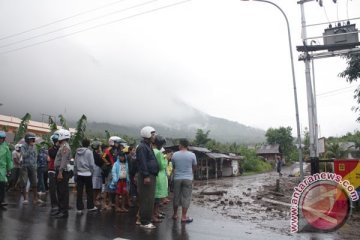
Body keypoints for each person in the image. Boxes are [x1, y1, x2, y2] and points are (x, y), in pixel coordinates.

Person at [136, 126, 159, 229]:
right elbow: (142, 162)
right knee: (147, 199)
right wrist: (146, 176)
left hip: (151, 175)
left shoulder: (147, 146)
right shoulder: (142, 147)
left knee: (150, 199)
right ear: (147, 134)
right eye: (153, 134)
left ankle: (145, 219)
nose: (155, 136)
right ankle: (144, 221)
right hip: (147, 176)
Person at [171, 138, 197, 224]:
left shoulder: (174, 154)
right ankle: (183, 217)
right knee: (186, 197)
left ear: (181, 145)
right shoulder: (192, 155)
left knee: (176, 196)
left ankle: (175, 215)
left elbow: (173, 166)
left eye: (179, 144)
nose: (178, 145)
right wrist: (191, 174)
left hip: (177, 178)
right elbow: (194, 167)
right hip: (188, 178)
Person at [102, 136, 126, 210]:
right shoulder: (109, 149)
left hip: (117, 170)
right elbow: (103, 157)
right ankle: (105, 204)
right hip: (110, 170)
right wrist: (109, 163)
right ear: (113, 142)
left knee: (115, 187)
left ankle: (112, 203)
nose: (118, 144)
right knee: (108, 187)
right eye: (116, 142)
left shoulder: (118, 149)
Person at [74, 138, 97, 214]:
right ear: (88, 144)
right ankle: (90, 206)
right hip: (87, 174)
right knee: (89, 191)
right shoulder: (89, 152)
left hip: (79, 174)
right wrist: (92, 172)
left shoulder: (77, 152)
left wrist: (75, 173)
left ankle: (79, 208)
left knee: (79, 192)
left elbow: (75, 163)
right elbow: (92, 164)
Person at [53, 129, 72, 218]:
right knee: (59, 191)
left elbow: (64, 161)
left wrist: (60, 172)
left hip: (62, 171)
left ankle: (64, 211)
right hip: (60, 171)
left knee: (62, 191)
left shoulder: (65, 147)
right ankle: (60, 209)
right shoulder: (62, 145)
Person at [19, 132, 42, 205]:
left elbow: (36, 156)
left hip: (33, 167)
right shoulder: (23, 146)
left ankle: (36, 198)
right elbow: (24, 155)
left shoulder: (34, 146)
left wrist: (35, 165)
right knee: (24, 183)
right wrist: (29, 148)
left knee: (34, 183)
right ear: (27, 139)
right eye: (31, 139)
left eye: (33, 139)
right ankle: (25, 199)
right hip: (25, 166)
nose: (32, 140)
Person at [152, 135, 168, 223]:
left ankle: (156, 213)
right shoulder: (158, 152)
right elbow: (162, 165)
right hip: (159, 176)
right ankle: (153, 215)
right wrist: (166, 159)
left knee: (157, 197)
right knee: (156, 198)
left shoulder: (152, 150)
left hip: (157, 175)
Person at [0, 131, 13, 209]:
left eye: (2, 138)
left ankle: (1, 201)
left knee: (2, 185)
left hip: (2, 169)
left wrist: (9, 169)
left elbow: (8, 159)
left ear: (4, 139)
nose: (0, 139)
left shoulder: (6, 147)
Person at [48, 133, 59, 214]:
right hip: (52, 170)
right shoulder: (51, 149)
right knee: (52, 189)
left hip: (58, 170)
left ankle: (60, 204)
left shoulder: (61, 148)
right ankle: (54, 205)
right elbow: (54, 156)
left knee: (59, 188)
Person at [91, 141, 103, 207]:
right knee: (95, 187)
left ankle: (94, 200)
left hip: (97, 172)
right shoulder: (94, 154)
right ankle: (94, 201)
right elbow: (99, 162)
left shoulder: (95, 153)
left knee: (97, 187)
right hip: (95, 172)